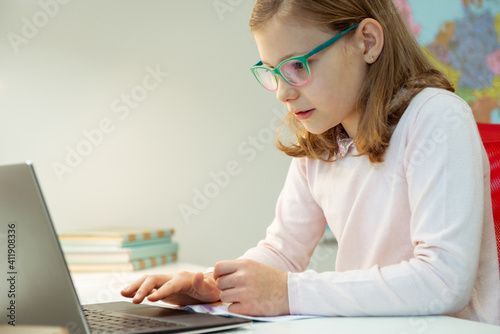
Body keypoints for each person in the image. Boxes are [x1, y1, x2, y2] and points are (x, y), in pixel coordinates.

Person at [121, 0, 500, 324]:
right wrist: (213, 286)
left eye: (298, 66)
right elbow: (283, 251)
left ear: (367, 41)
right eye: (272, 72)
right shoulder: (322, 139)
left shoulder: (437, 118)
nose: (283, 93)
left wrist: (289, 292)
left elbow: (443, 281)